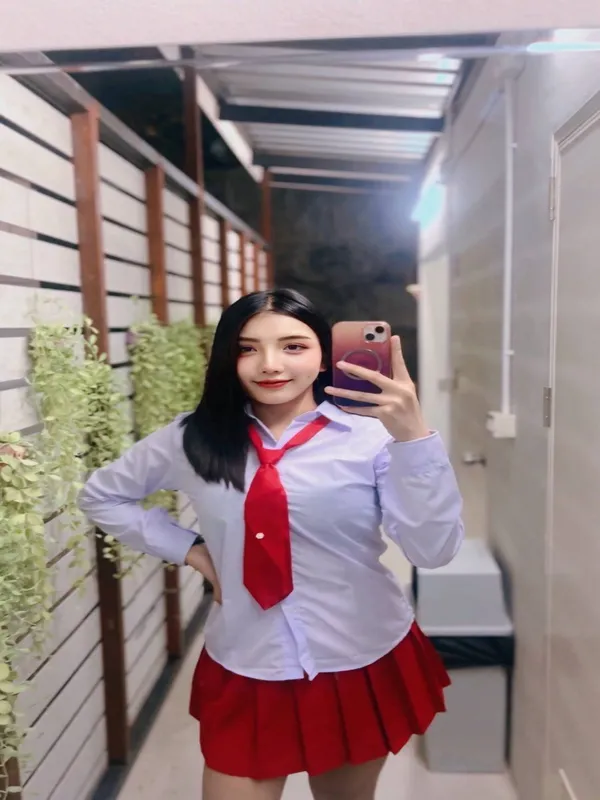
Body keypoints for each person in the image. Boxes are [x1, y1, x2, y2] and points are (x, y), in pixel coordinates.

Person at [79, 289, 464, 800]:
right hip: (249, 658)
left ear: (324, 357)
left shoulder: (370, 440)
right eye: (247, 348)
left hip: (356, 655)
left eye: (293, 346)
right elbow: (103, 496)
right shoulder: (192, 438)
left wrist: (413, 437)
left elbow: (433, 551)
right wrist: (192, 551)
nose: (269, 364)